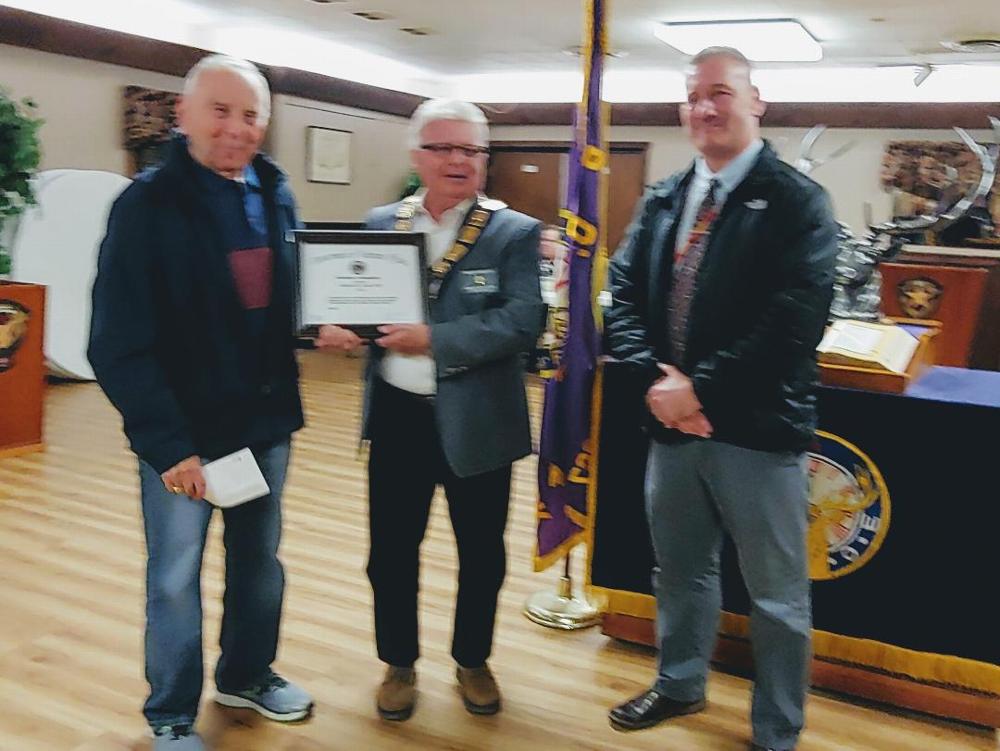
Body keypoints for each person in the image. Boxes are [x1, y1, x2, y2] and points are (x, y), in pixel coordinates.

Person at [604, 47, 839, 751]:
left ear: (755, 100)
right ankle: (679, 682)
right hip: (672, 427)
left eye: (721, 93)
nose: (706, 108)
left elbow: (795, 322)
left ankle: (776, 728)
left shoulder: (798, 201)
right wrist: (657, 380)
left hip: (757, 434)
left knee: (776, 596)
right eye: (693, 96)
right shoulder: (666, 195)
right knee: (679, 570)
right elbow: (618, 292)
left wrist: (697, 389)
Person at [88, 54, 312, 750]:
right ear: (183, 115)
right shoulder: (146, 205)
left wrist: (320, 322)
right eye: (221, 110)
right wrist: (168, 444)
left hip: (264, 426)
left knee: (258, 564)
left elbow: (275, 306)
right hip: (186, 436)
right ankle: (171, 715)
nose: (237, 128)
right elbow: (116, 342)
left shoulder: (274, 193)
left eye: (251, 115)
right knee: (176, 578)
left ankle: (247, 673)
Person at [316, 98, 544, 722]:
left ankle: (472, 658)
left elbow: (524, 320)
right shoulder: (381, 220)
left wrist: (437, 341)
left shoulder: (513, 232)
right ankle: (399, 662)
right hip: (397, 415)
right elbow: (361, 304)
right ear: (417, 156)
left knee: (482, 553)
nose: (459, 161)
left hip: (481, 423)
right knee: (389, 552)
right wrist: (340, 332)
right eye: (444, 148)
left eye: (471, 150)